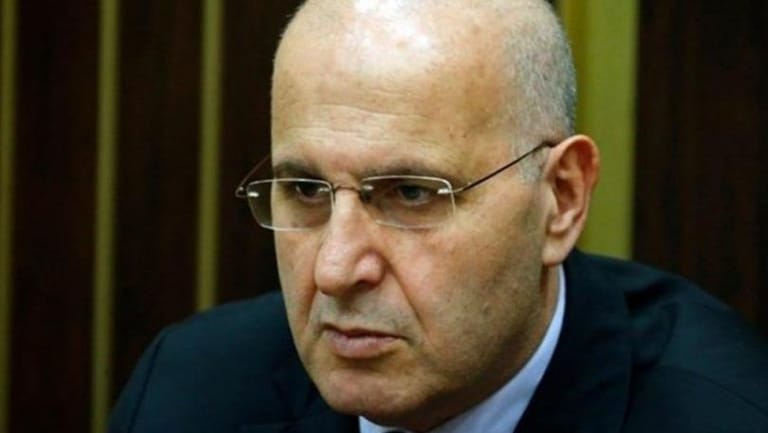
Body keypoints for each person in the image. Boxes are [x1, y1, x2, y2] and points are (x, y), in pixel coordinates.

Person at [108, 0, 768, 432]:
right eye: (306, 188)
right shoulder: (189, 390)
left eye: (411, 194)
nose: (336, 269)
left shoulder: (725, 412)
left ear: (560, 199)